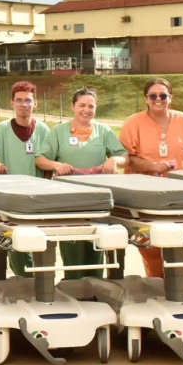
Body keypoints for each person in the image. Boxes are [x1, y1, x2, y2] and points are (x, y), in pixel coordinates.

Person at [119, 77, 183, 278]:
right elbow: (127, 158)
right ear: (146, 99)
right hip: (147, 197)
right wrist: (153, 166)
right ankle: (156, 287)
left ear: (170, 98)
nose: (158, 99)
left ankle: (182, 288)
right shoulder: (133, 122)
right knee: (152, 252)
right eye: (153, 96)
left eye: (163, 95)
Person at [36, 86, 125, 279]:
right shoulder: (59, 131)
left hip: (97, 202)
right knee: (73, 249)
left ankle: (96, 288)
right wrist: (56, 165)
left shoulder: (103, 131)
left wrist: (114, 160)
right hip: (69, 202)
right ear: (72, 106)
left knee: (96, 248)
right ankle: (73, 286)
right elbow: (40, 159)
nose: (86, 110)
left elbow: (124, 156)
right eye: (82, 105)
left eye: (91, 106)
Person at [0, 81, 51, 279]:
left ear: (35, 103)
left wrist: (47, 185)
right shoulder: (2, 129)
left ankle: (39, 281)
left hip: (36, 198)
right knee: (13, 242)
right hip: (9, 198)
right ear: (11, 103)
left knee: (37, 242)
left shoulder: (43, 130)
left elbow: (49, 161)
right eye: (19, 100)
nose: (23, 104)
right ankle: (21, 280)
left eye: (28, 100)